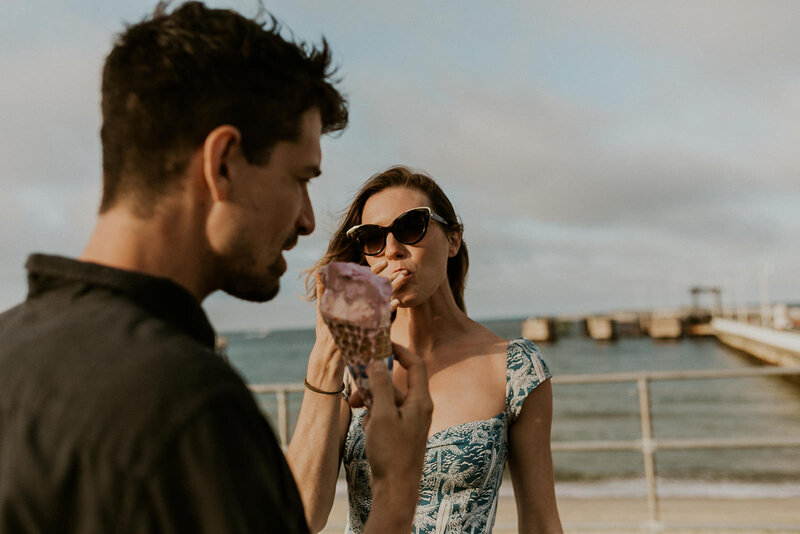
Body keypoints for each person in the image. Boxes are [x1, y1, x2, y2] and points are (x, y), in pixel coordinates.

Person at [0, 4, 432, 534]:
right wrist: (396, 495)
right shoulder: (187, 405)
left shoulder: (12, 349)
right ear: (223, 163)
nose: (307, 218)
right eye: (300, 178)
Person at [288, 165, 563, 534]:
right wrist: (326, 357)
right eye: (373, 238)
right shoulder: (355, 365)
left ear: (453, 240)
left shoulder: (514, 366)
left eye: (410, 227)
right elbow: (301, 516)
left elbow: (541, 522)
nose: (392, 250)